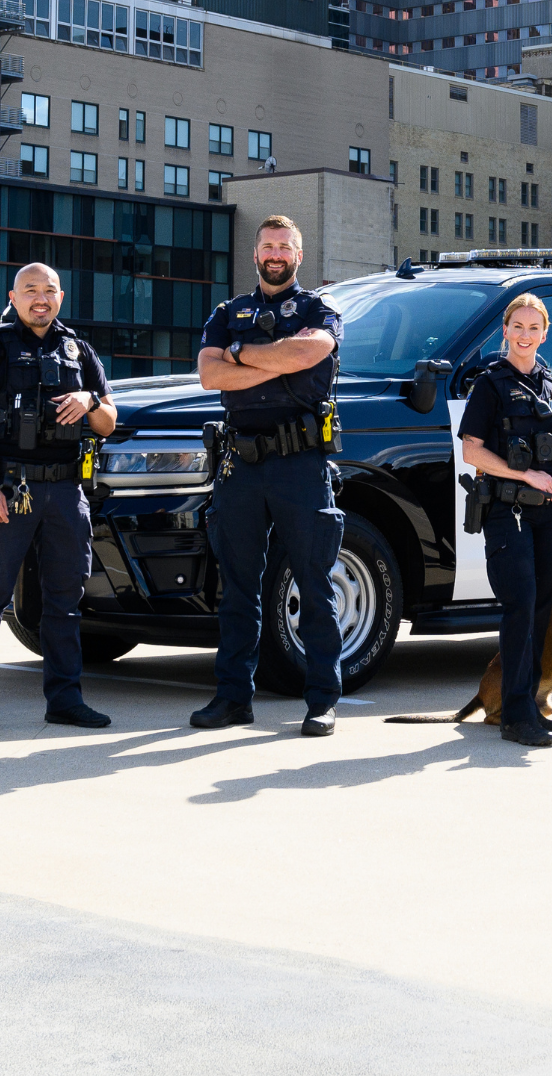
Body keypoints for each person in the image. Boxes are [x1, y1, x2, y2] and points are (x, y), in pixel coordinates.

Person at [192, 216, 348, 737]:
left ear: (298, 255)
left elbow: (310, 351)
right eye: (267, 246)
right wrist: (274, 360)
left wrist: (239, 355)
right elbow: (209, 374)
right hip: (240, 465)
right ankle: (233, 698)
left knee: (314, 581)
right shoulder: (227, 312)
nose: (275, 253)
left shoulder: (318, 311)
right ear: (254, 253)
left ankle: (322, 700)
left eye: (284, 246)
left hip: (301, 464)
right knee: (238, 588)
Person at [0, 262, 117, 735]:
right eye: (30, 291)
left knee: (65, 603)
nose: (39, 298)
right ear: (14, 296)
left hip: (66, 491)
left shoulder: (77, 349)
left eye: (48, 291)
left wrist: (90, 401)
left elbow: (109, 421)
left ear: (60, 298)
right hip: (9, 490)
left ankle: (65, 701)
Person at [457, 292, 552, 749]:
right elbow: (472, 450)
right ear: (505, 331)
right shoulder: (490, 385)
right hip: (508, 512)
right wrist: (523, 472)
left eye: (534, 328)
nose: (526, 335)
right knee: (521, 602)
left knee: (541, 608)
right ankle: (514, 715)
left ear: (544, 334)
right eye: (518, 326)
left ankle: (528, 704)